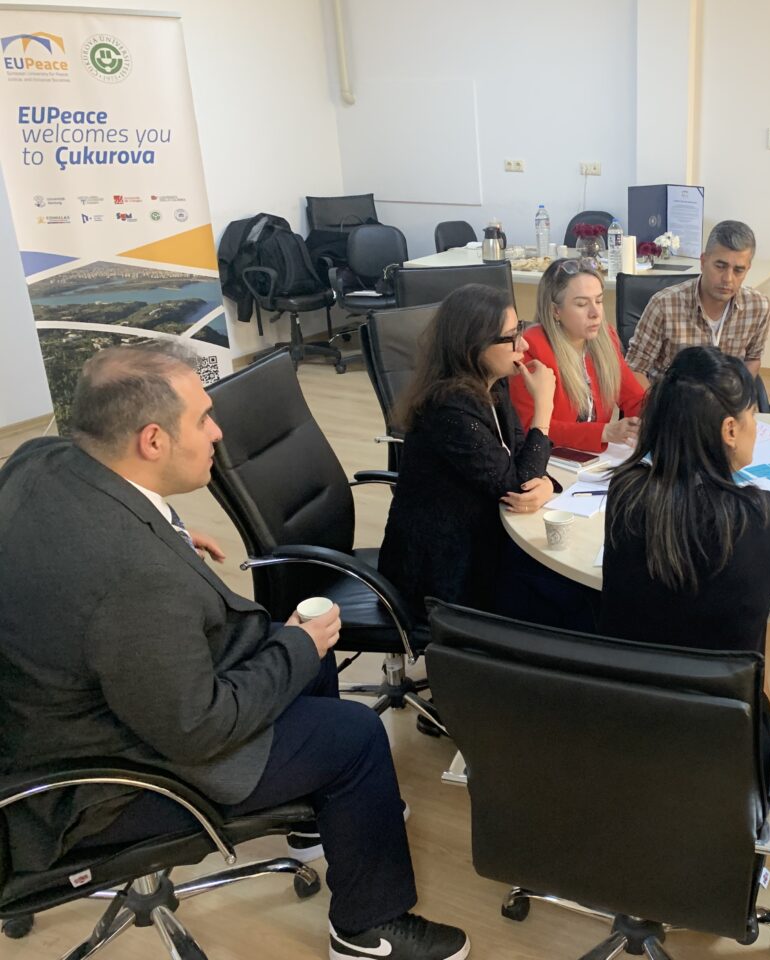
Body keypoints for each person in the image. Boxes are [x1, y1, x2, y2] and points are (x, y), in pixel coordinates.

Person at [0, 344, 468, 960]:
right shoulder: (134, 580)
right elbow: (200, 728)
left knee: (298, 640)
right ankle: (369, 929)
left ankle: (311, 812)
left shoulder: (42, 455)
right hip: (102, 783)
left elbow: (88, 551)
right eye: (202, 419)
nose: (218, 432)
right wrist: (295, 645)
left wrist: (164, 530)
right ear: (151, 442)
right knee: (352, 733)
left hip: (71, 702)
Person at [599, 346, 770, 762]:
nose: (756, 428)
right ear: (730, 430)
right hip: (727, 735)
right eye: (753, 417)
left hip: (628, 718)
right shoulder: (763, 515)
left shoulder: (625, 492)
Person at [379, 283, 557, 617]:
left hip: (483, 538)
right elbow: (515, 485)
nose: (524, 343)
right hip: (441, 570)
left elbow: (519, 460)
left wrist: (544, 483)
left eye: (519, 328)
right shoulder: (449, 409)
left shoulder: (493, 382)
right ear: (473, 347)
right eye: (510, 336)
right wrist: (542, 410)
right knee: (556, 595)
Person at [509, 258, 646, 451]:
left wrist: (656, 418)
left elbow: (634, 399)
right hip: (549, 460)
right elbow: (529, 427)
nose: (595, 313)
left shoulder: (606, 338)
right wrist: (604, 432)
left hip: (593, 460)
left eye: (599, 301)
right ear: (555, 310)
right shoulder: (531, 348)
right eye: (582, 304)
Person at [624, 220, 770, 384]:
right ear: (703, 262)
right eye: (720, 266)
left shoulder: (759, 307)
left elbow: (752, 359)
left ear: (747, 269)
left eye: (738, 270)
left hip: (725, 404)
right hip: (672, 402)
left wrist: (738, 398)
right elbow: (635, 369)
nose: (728, 279)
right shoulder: (663, 306)